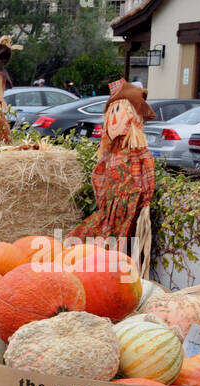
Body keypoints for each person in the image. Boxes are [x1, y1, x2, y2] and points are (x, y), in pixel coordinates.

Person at [70, 79, 156, 254]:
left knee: (115, 248)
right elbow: (99, 175)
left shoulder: (136, 151)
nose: (115, 117)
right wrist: (102, 198)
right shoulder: (110, 153)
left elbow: (147, 171)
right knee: (82, 239)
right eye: (112, 111)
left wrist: (145, 198)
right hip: (108, 209)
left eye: (119, 110)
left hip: (128, 208)